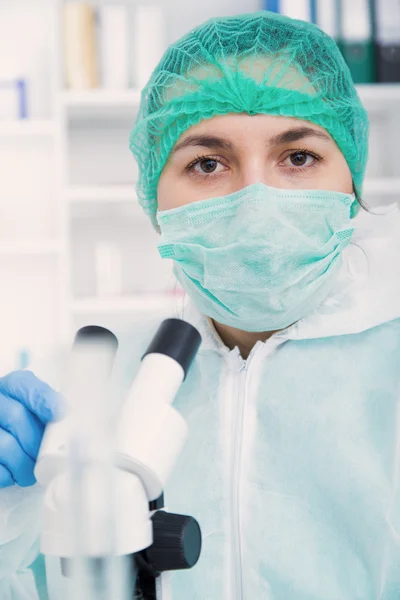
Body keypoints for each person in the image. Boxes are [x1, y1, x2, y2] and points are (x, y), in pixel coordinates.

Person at [1, 9, 400, 599]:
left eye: (298, 157)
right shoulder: (101, 385)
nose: (255, 199)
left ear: (353, 184)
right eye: (207, 163)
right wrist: (11, 516)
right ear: (154, 196)